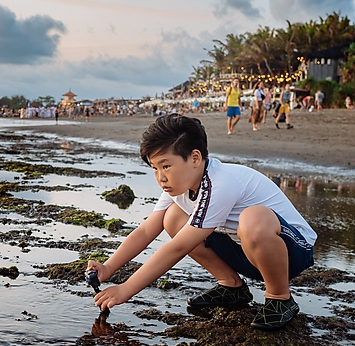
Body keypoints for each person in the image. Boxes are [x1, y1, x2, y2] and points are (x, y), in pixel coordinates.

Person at [88, 114, 316, 330]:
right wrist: (108, 267)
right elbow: (147, 230)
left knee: (252, 219)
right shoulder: (179, 186)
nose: (161, 177)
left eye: (166, 166)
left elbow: (178, 248)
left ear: (195, 158)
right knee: (173, 218)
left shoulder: (221, 183)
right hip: (245, 252)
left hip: (291, 253)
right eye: (155, 168)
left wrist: (126, 289)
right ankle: (232, 286)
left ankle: (279, 297)